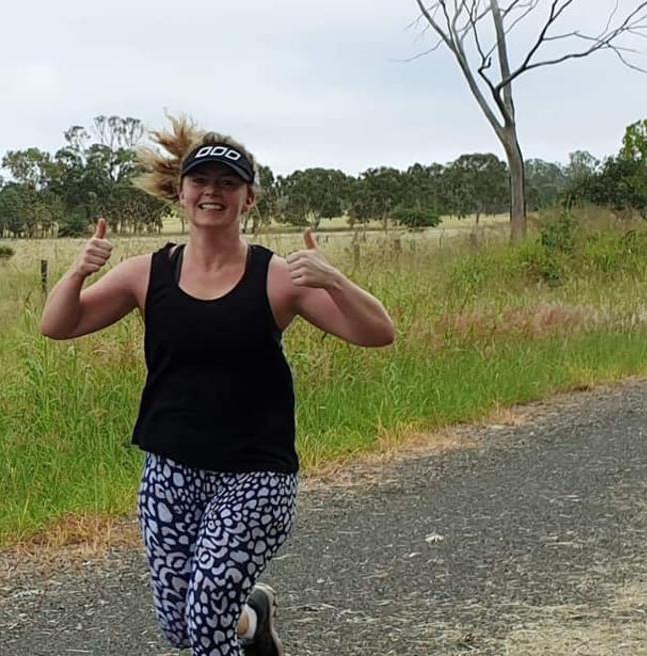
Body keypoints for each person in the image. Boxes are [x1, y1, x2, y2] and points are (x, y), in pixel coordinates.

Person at [40, 116, 395, 656]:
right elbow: (59, 325)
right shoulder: (146, 274)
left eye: (228, 184)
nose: (213, 193)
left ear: (248, 199)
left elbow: (378, 334)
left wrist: (334, 278)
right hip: (169, 472)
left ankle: (236, 620)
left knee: (206, 623)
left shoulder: (277, 277)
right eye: (201, 182)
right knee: (182, 628)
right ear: (180, 194)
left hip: (256, 475)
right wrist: (76, 273)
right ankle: (253, 620)